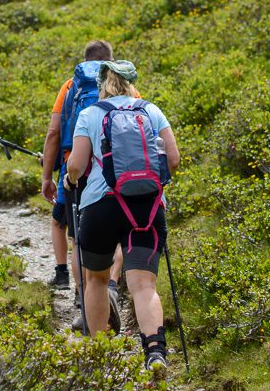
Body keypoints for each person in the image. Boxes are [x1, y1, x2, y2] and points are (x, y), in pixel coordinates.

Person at [65, 60, 180, 376]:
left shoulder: (90, 114)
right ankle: (155, 353)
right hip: (147, 207)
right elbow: (174, 158)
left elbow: (76, 164)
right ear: (131, 83)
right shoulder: (151, 111)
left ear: (102, 85)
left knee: (97, 280)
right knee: (144, 285)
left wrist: (70, 180)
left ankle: (100, 355)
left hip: (101, 208)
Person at [40, 40, 123, 332]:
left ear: (84, 61)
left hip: (76, 169)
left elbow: (53, 133)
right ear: (111, 60)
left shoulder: (70, 86)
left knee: (80, 239)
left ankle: (84, 302)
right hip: (117, 171)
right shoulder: (126, 86)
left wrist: (47, 176)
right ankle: (111, 287)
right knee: (119, 235)